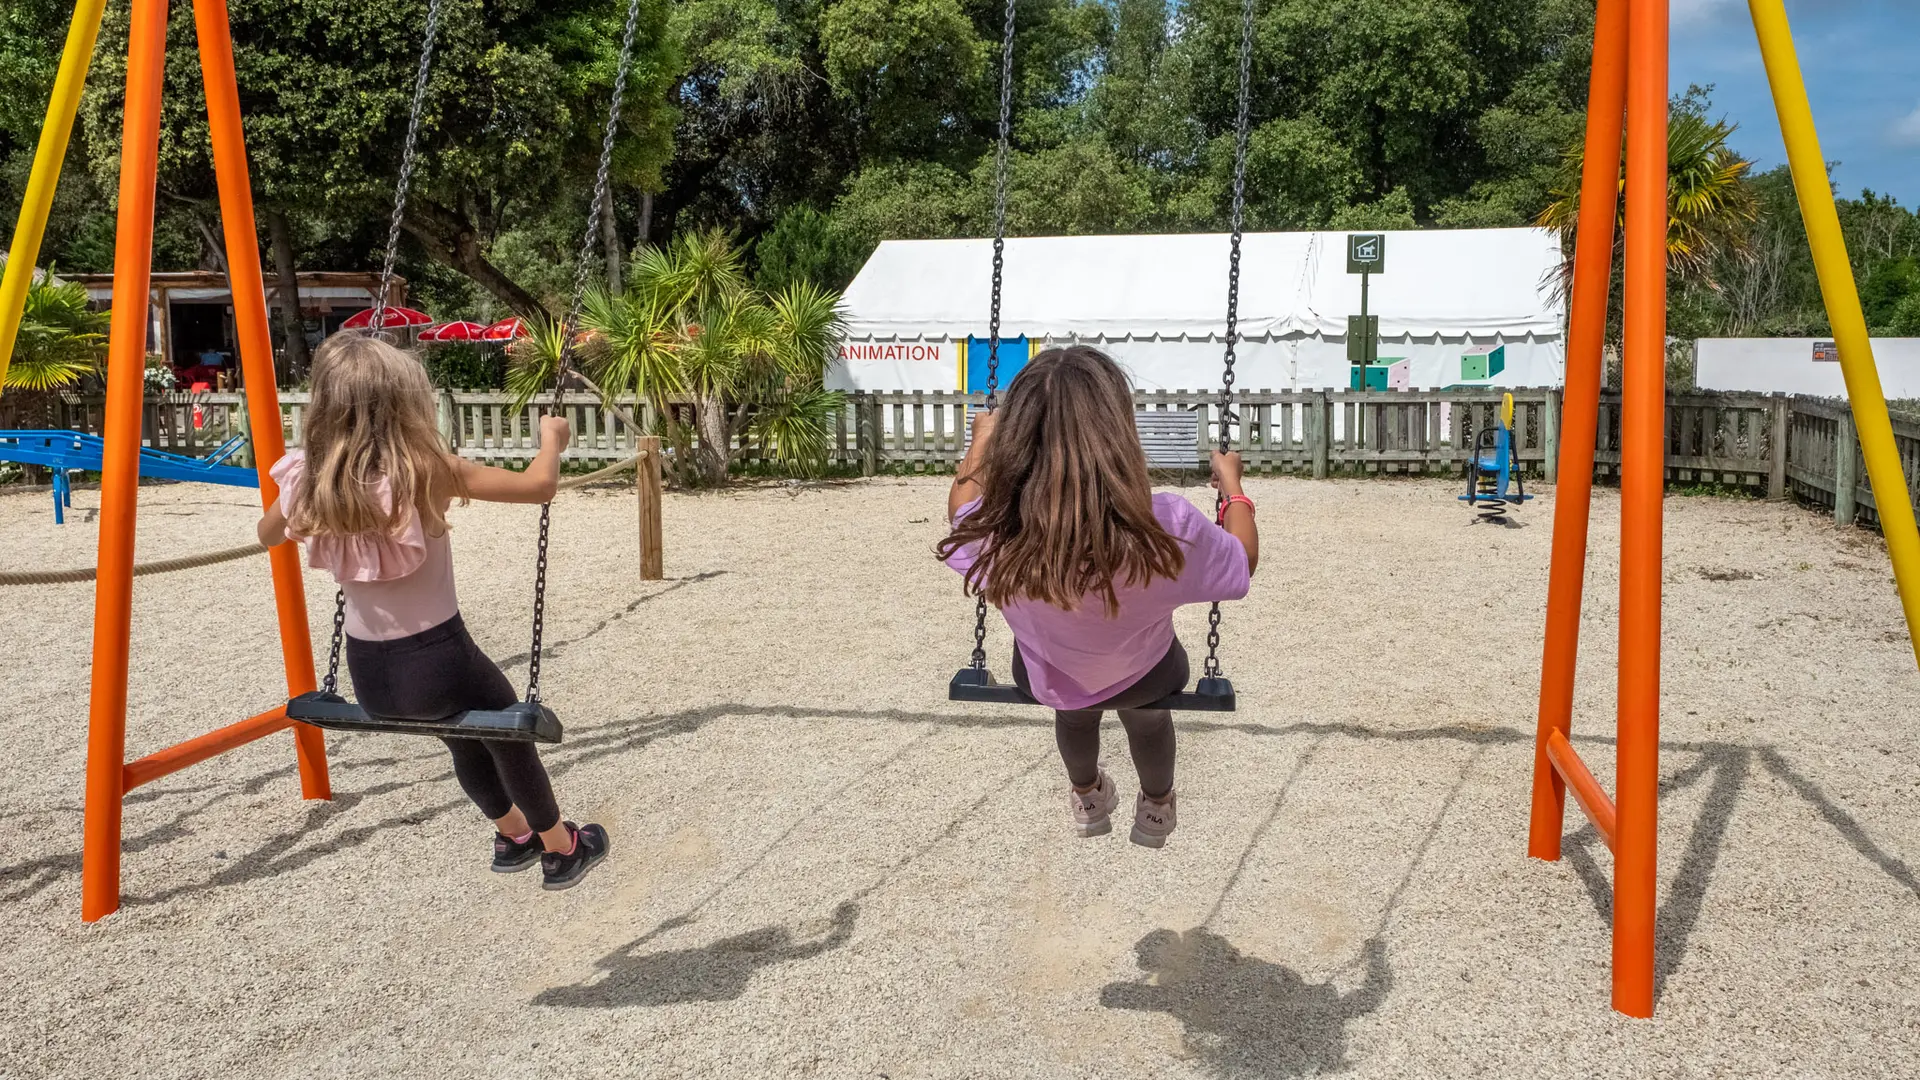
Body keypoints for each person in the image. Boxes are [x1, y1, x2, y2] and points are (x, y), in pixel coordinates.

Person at [257, 333, 609, 890]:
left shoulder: (309, 476)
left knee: (460, 736)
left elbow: (267, 534)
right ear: (405, 402)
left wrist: (313, 501)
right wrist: (552, 439)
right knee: (506, 732)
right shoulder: (425, 470)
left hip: (368, 671)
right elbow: (539, 487)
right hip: (440, 658)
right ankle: (562, 848)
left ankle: (513, 834)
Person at [938, 346, 1258, 848]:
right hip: (1146, 673)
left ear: (1017, 436)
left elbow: (961, 503)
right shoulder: (1164, 525)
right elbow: (1241, 561)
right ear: (1119, 431)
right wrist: (1234, 489)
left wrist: (980, 441)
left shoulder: (997, 528)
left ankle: (1087, 796)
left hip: (1047, 674)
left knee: (1074, 710)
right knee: (1150, 718)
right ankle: (1155, 808)